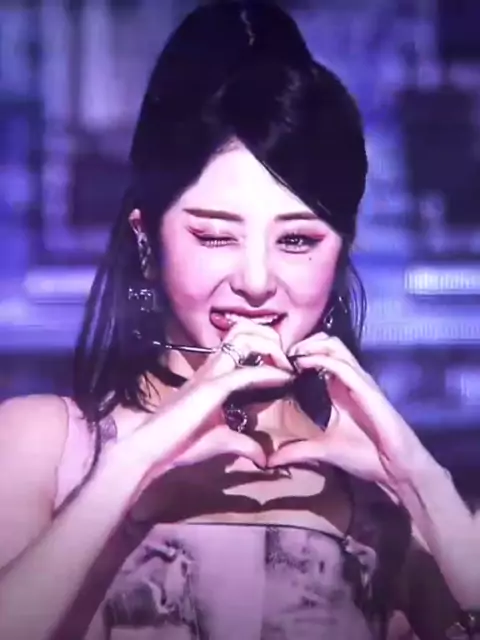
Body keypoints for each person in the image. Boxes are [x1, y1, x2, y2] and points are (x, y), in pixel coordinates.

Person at [0, 2, 478, 639]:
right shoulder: (41, 446)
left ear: (341, 251)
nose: (256, 281)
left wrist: (424, 483)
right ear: (147, 239)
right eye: (215, 236)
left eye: (298, 240)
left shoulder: (387, 494)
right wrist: (128, 467)